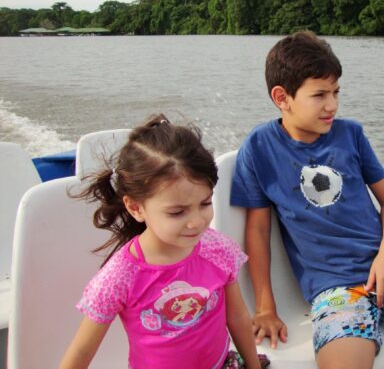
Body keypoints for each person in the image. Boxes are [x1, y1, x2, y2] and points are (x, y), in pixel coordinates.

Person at [230, 31, 384, 369]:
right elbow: (257, 231)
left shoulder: (351, 134)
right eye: (320, 95)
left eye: (336, 92)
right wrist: (265, 307)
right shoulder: (259, 148)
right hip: (335, 287)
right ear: (282, 97)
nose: (333, 105)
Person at [60, 114, 268, 369]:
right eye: (177, 212)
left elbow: (236, 316)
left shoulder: (216, 248)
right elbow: (81, 352)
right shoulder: (120, 276)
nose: (196, 222)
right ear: (136, 207)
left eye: (204, 204)